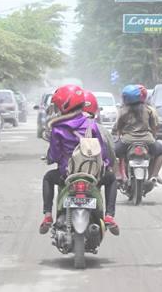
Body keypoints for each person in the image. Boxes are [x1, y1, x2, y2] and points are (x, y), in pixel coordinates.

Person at [40, 84, 120, 236]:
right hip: (93, 174)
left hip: (67, 174)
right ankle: (109, 215)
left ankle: (47, 215)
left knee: (48, 178)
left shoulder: (57, 128)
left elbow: (55, 155)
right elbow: (101, 150)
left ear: (65, 105)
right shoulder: (92, 124)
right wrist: (105, 165)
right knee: (111, 179)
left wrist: (53, 159)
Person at [113, 84, 162, 185]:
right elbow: (154, 126)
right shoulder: (148, 109)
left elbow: (118, 127)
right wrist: (154, 137)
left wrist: (118, 137)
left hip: (127, 140)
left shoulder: (122, 110)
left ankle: (118, 174)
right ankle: (154, 175)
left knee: (111, 153)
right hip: (147, 140)